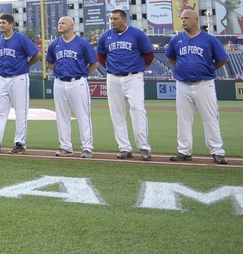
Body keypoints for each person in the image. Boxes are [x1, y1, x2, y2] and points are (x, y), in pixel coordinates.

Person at [166, 9, 229, 164]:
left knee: (210, 118)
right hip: (183, 84)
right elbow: (171, 58)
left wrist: (208, 68)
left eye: (186, 18)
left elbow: (222, 60)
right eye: (181, 18)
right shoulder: (176, 39)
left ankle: (217, 151)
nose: (183, 21)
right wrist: (182, 67)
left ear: (196, 20)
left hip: (204, 83)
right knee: (183, 119)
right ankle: (184, 151)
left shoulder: (209, 39)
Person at [97, 9, 154, 160]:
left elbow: (149, 55)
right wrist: (111, 69)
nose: (112, 21)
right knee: (116, 113)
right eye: (111, 18)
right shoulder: (106, 36)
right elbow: (101, 56)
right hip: (113, 77)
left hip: (133, 76)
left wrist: (140, 69)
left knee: (137, 109)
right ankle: (124, 148)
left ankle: (144, 147)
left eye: (115, 18)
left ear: (124, 19)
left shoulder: (137, 34)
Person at [0, 14, 41, 154]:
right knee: (0, 112)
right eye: (0, 22)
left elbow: (37, 54)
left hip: (19, 77)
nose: (1, 25)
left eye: (4, 22)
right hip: (3, 78)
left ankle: (20, 143)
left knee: (20, 111)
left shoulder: (21, 38)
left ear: (11, 24)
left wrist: (27, 65)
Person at [46, 16, 97, 158]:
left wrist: (84, 74)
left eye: (63, 23)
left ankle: (87, 147)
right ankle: (65, 147)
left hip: (77, 81)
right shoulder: (54, 44)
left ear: (71, 26)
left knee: (83, 115)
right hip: (59, 82)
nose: (60, 25)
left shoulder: (82, 43)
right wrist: (57, 72)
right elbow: (50, 62)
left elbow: (93, 63)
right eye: (58, 23)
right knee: (62, 116)